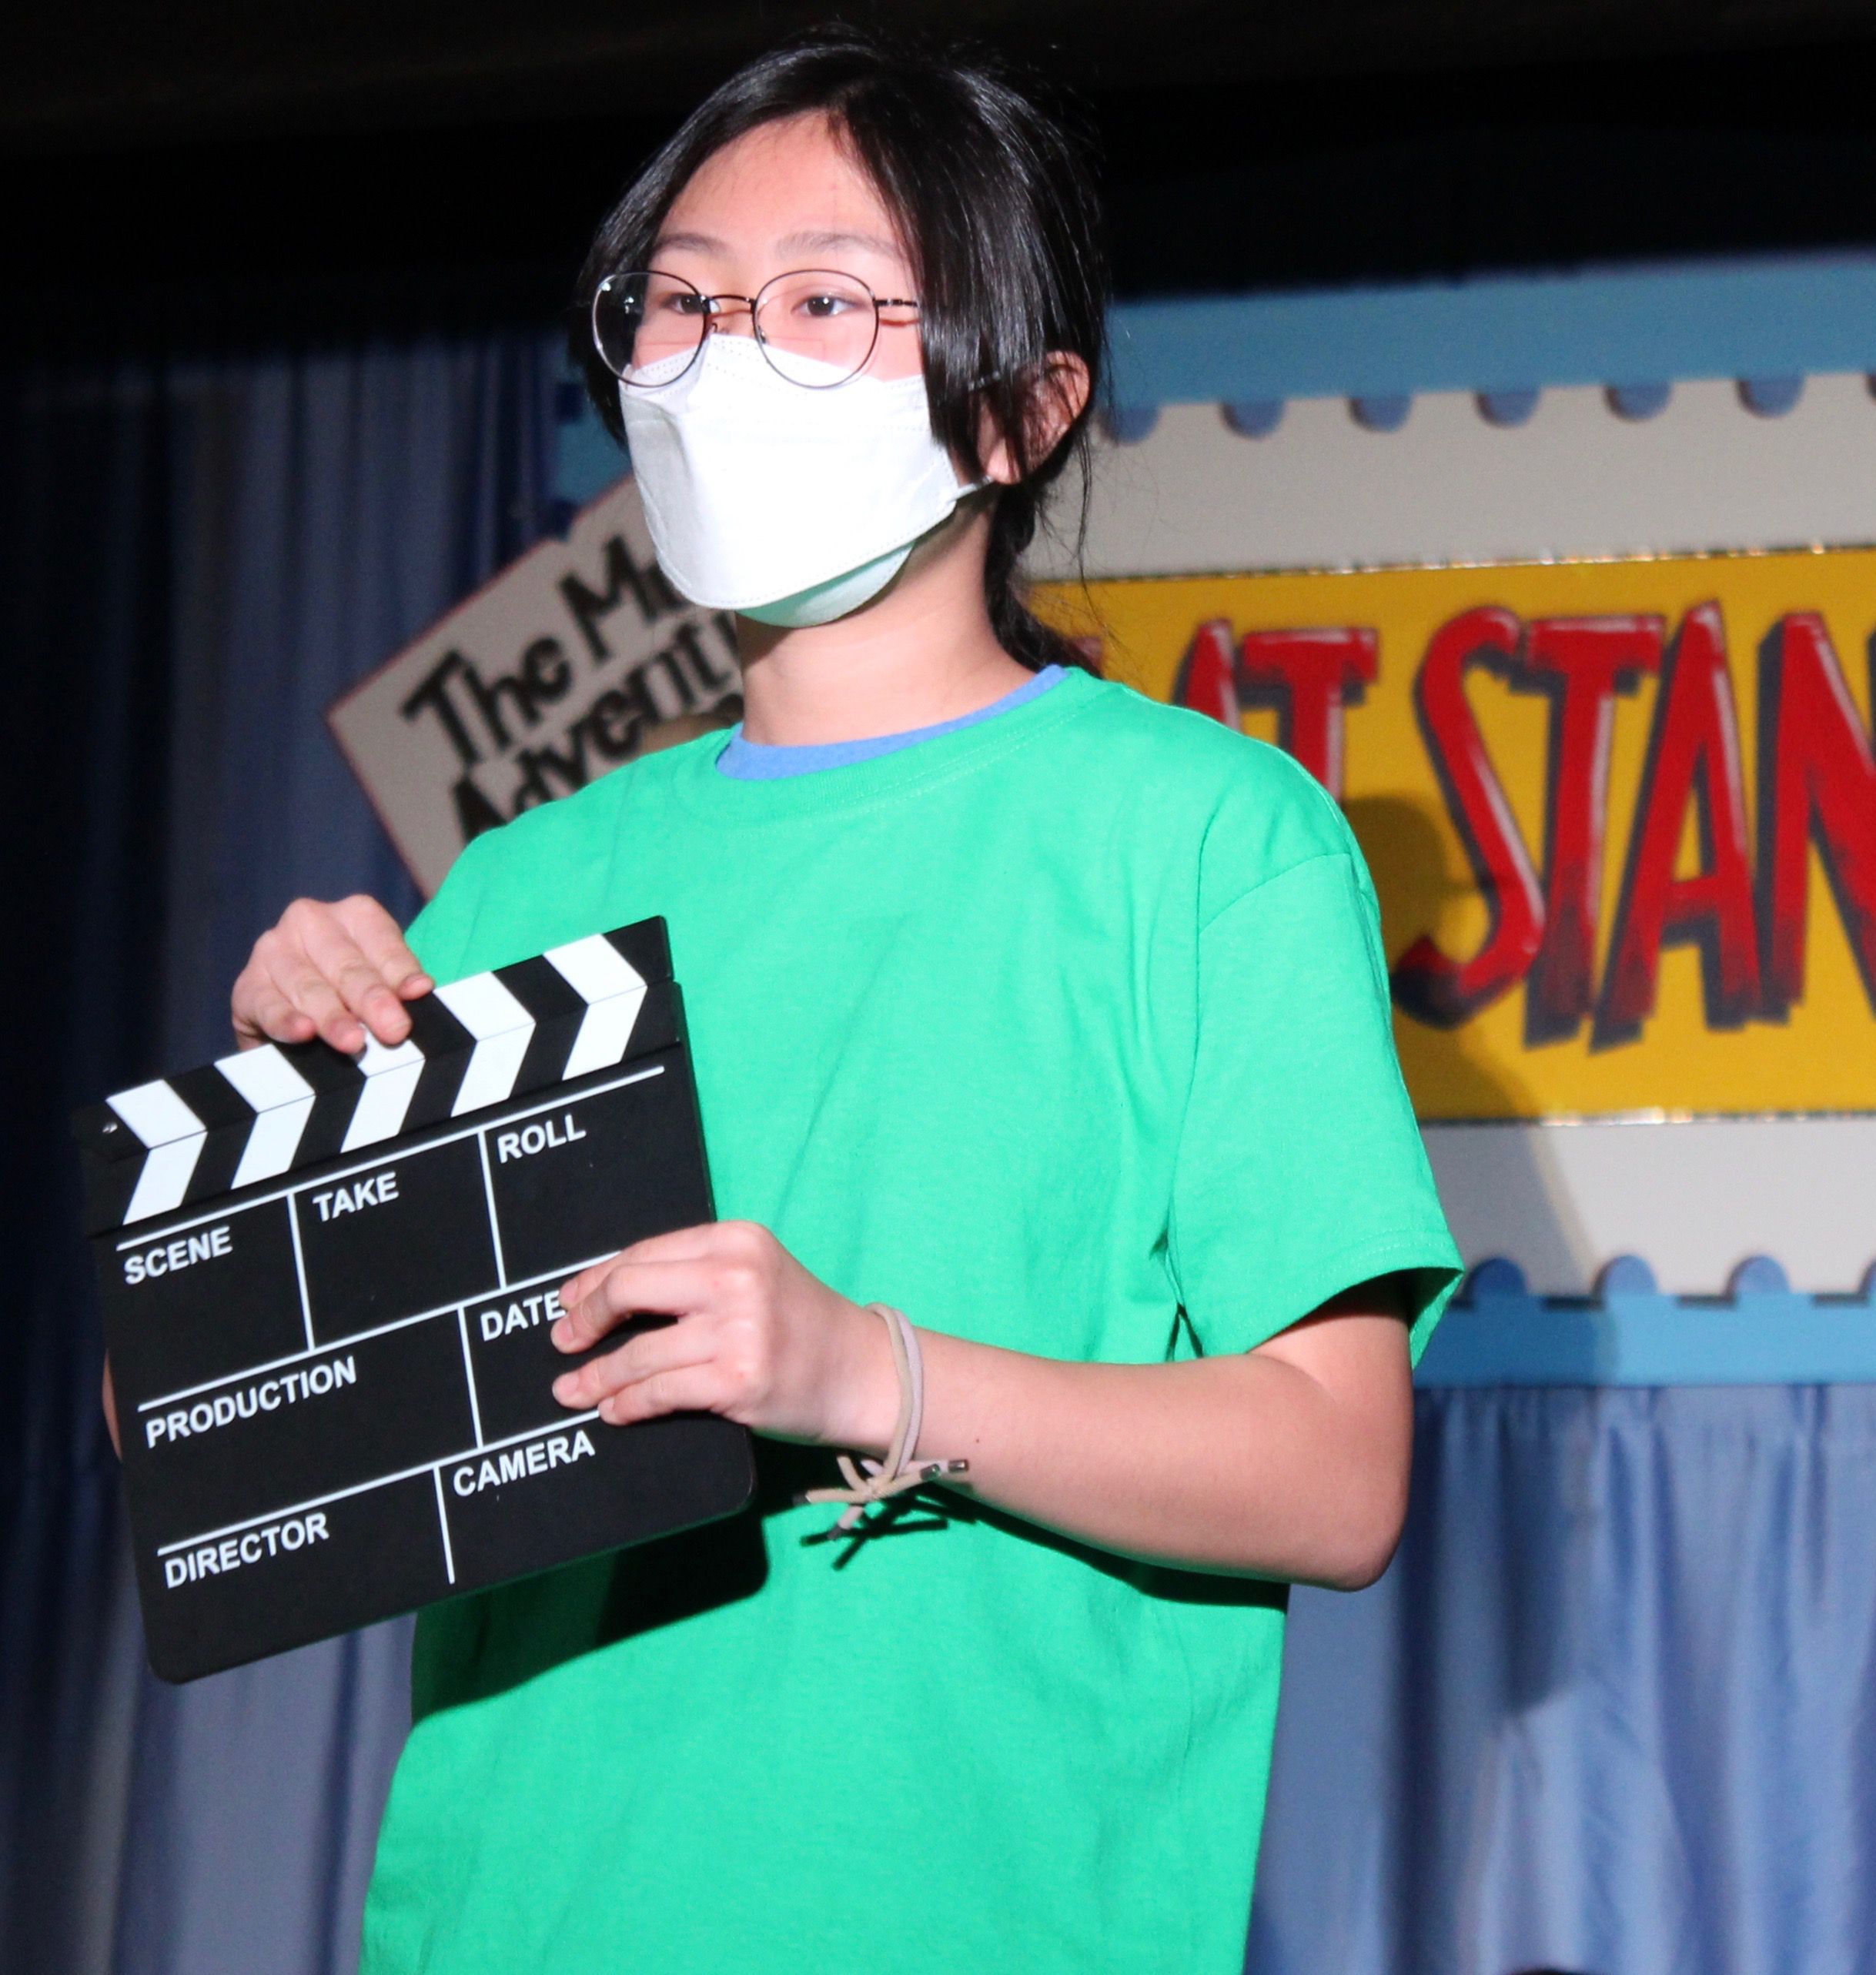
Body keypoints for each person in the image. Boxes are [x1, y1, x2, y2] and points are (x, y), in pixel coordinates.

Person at [208, 31, 1460, 1974]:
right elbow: (204, 1444)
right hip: (514, 1915)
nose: (721, 361)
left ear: (1024, 408)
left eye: (817, 303)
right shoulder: (520, 884)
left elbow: (1337, 1468)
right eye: (680, 305)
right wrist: (264, 1146)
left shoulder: (1205, 840)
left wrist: (864, 1372)